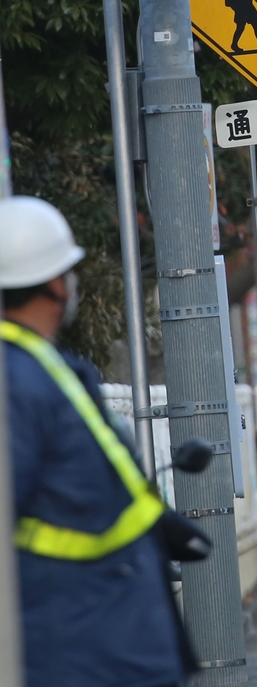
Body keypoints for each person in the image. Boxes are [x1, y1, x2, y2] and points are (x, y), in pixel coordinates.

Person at [0, 195, 196, 687]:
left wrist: (158, 522)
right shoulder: (17, 379)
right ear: (52, 283)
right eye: (69, 271)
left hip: (106, 626)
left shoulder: (45, 367)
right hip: (82, 641)